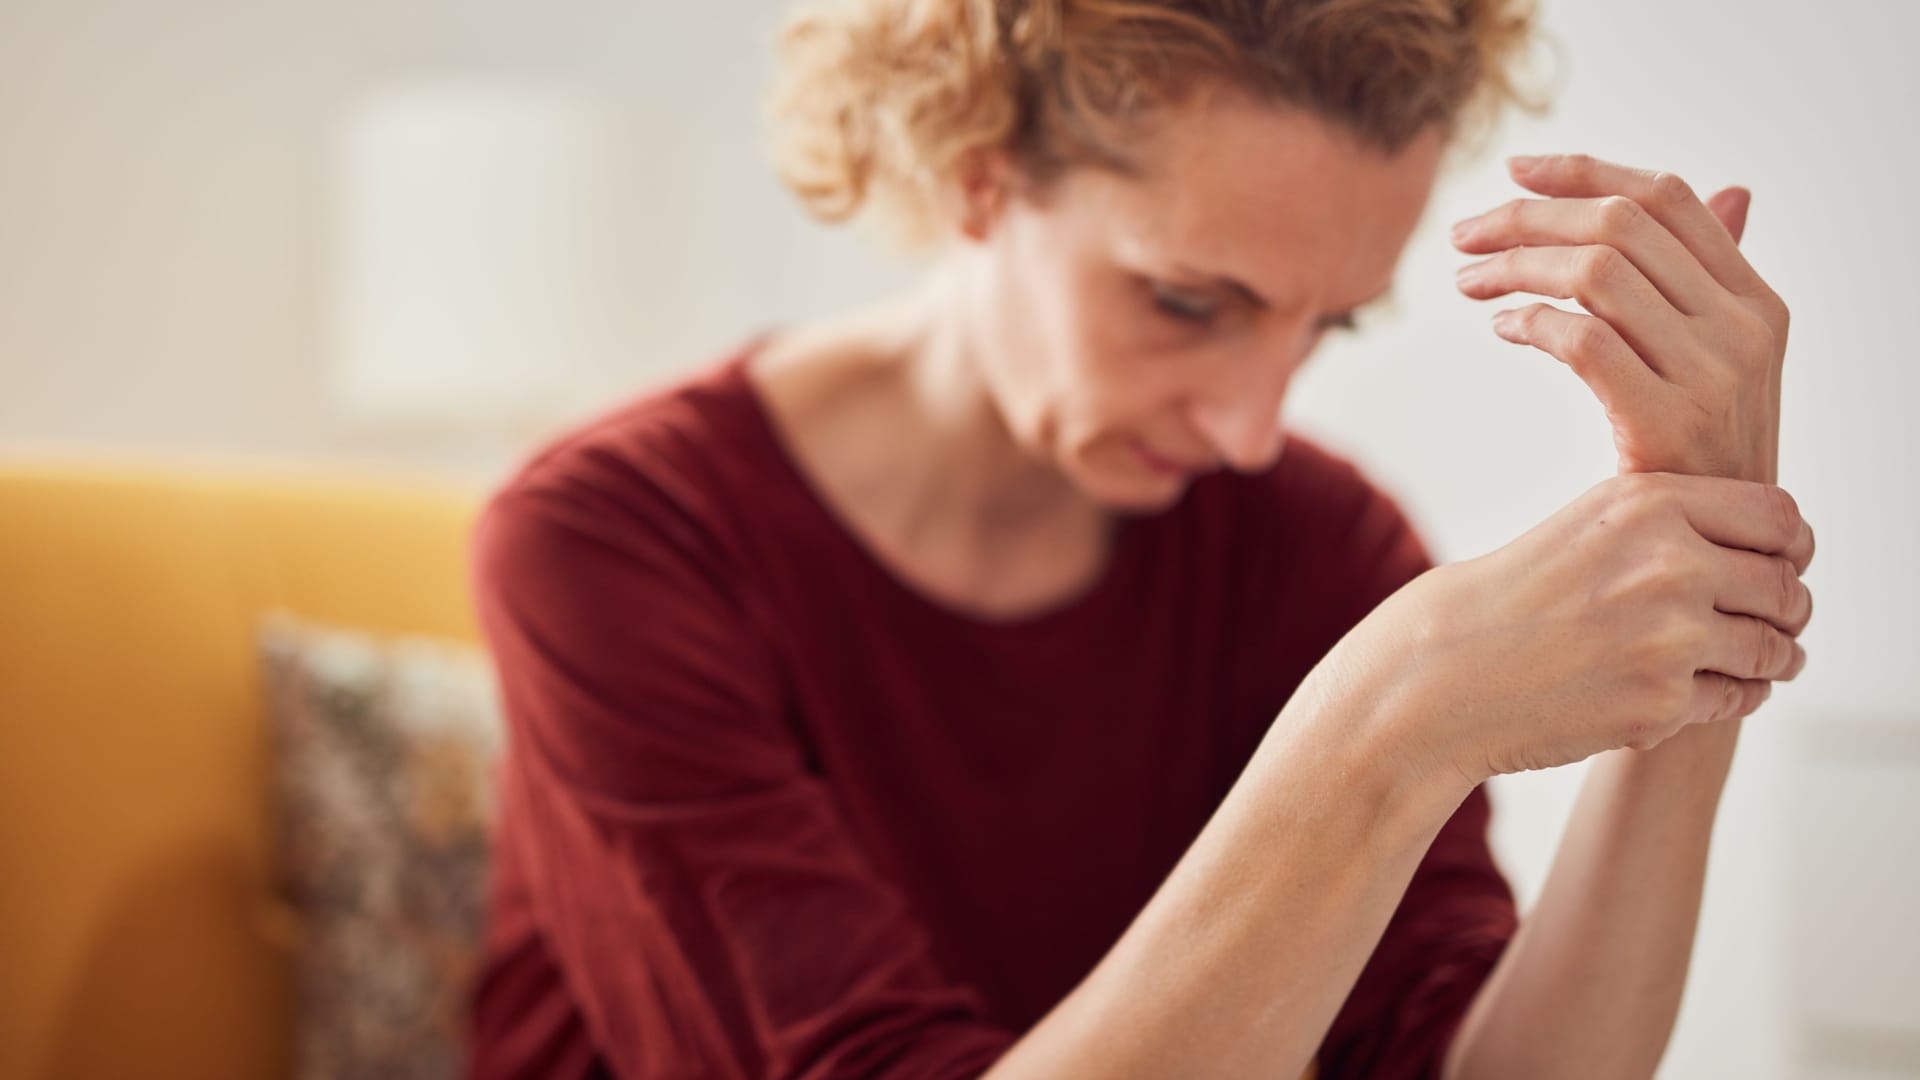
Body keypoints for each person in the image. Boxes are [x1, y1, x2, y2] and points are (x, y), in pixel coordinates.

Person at [463, 1, 1814, 1077]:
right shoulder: (613, 543)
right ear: (975, 176)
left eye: (1324, 325)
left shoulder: (1314, 546)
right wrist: (1384, 724)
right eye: (1186, 302)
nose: (1247, 426)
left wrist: (1710, 596)